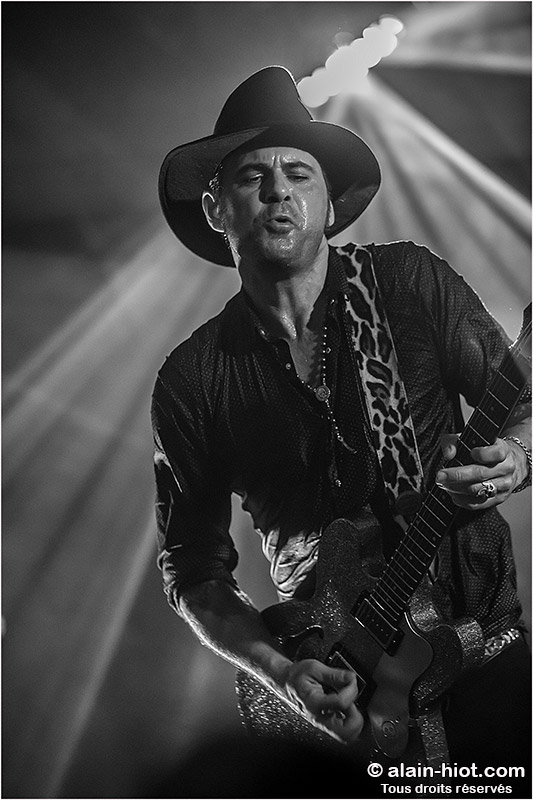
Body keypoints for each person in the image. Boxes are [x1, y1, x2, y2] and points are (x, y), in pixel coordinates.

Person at [152, 67, 531, 783]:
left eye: (299, 173)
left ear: (329, 204)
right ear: (215, 209)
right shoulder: (192, 379)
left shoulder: (409, 283)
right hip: (339, 695)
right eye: (252, 177)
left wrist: (517, 454)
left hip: (485, 661)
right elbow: (193, 570)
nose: (278, 190)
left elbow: (524, 399)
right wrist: (278, 675)